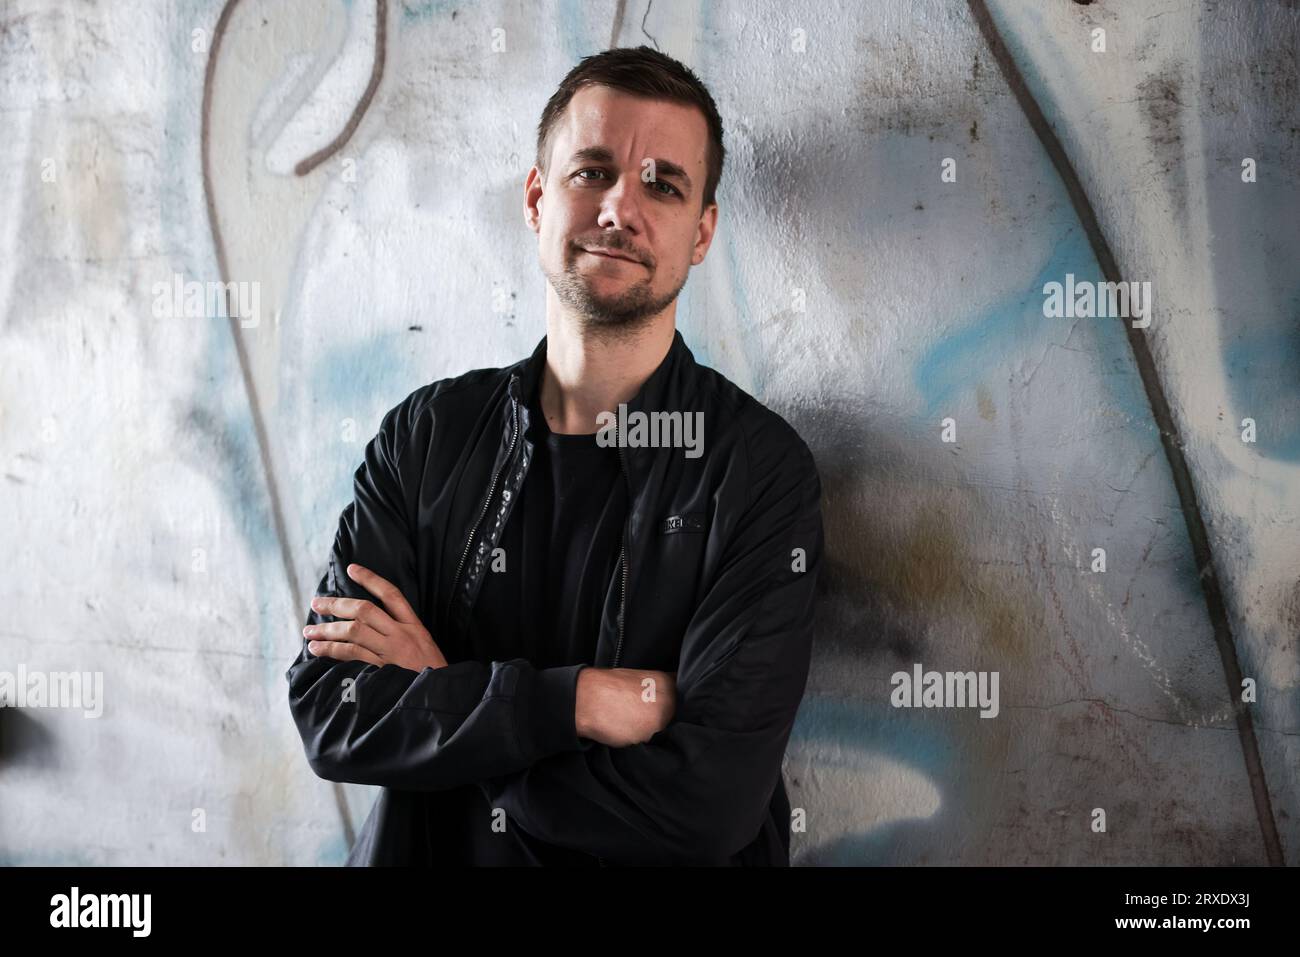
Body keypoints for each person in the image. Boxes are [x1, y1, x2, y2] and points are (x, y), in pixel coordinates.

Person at [285, 45, 824, 866]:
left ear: (702, 232)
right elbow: (333, 707)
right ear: (537, 198)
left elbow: (704, 809)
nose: (620, 208)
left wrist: (447, 698)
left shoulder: (756, 474)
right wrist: (570, 701)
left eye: (663, 184)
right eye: (592, 172)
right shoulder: (426, 437)